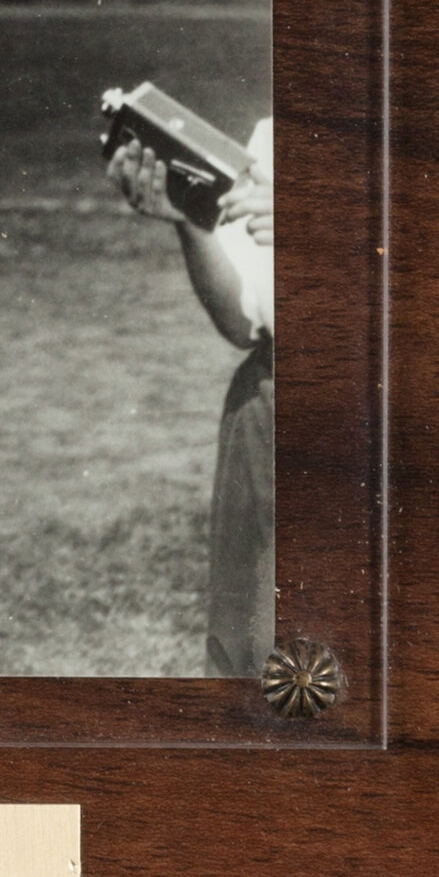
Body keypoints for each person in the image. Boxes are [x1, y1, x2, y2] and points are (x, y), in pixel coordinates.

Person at [108, 117, 276, 676]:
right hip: (272, 408)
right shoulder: (275, 137)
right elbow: (241, 318)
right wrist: (190, 223)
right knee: (253, 661)